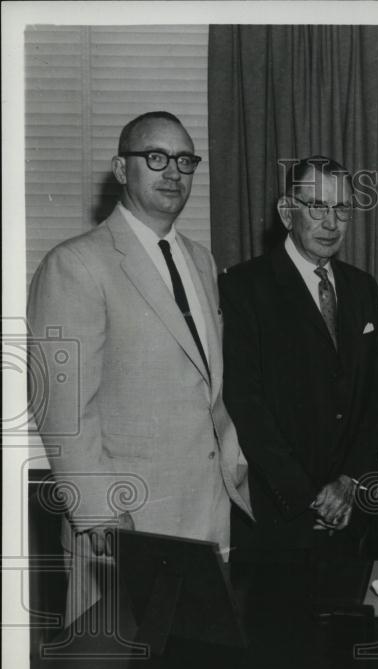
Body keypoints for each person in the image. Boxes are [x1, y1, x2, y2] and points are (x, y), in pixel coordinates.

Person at [27, 111, 253, 625]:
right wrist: (100, 515)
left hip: (207, 518)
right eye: (155, 157)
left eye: (184, 160)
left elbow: (205, 386)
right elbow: (62, 410)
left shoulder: (199, 259)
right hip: (126, 528)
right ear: (121, 168)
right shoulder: (76, 264)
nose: (172, 171)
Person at [220, 157, 378, 557]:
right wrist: (307, 496)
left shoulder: (362, 287)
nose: (331, 223)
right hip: (279, 513)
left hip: (354, 509)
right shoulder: (243, 288)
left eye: (342, 209)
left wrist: (351, 480)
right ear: (286, 212)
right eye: (316, 206)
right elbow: (246, 405)